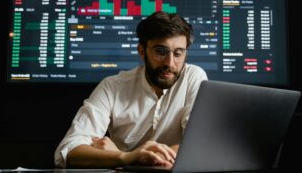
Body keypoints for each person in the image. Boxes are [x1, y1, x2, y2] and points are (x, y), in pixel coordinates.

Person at [54, 11, 208, 169]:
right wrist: (125, 157)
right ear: (142, 51)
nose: (170, 63)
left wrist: (125, 156)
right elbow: (68, 151)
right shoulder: (112, 87)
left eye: (178, 53)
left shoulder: (193, 78)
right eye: (160, 51)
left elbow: (200, 142)